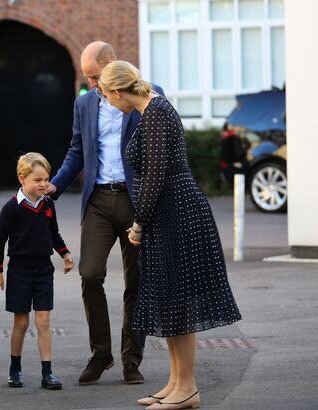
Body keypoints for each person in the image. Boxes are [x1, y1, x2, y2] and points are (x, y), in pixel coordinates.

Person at [99, 60, 242, 409]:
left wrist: (138, 223)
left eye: (105, 95)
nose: (107, 102)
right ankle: (177, 383)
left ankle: (188, 388)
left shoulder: (158, 112)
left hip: (177, 213)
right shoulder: (152, 111)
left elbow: (156, 176)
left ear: (118, 91)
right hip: (169, 213)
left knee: (179, 299)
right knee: (171, 299)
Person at [46, 41, 164, 385]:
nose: (92, 84)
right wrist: (55, 185)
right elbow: (76, 151)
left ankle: (132, 359)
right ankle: (101, 354)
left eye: (95, 76)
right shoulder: (84, 102)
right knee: (90, 274)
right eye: (86, 77)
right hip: (97, 199)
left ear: (112, 65)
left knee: (137, 280)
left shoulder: (149, 95)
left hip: (135, 200)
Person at [0, 152, 74, 390]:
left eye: (46, 179)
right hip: (19, 270)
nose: (43, 184)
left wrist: (65, 254)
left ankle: (47, 372)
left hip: (44, 270)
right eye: (38, 180)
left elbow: (53, 232)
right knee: (22, 322)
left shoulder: (48, 205)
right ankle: (15, 369)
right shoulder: (11, 208)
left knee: (44, 321)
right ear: (22, 179)